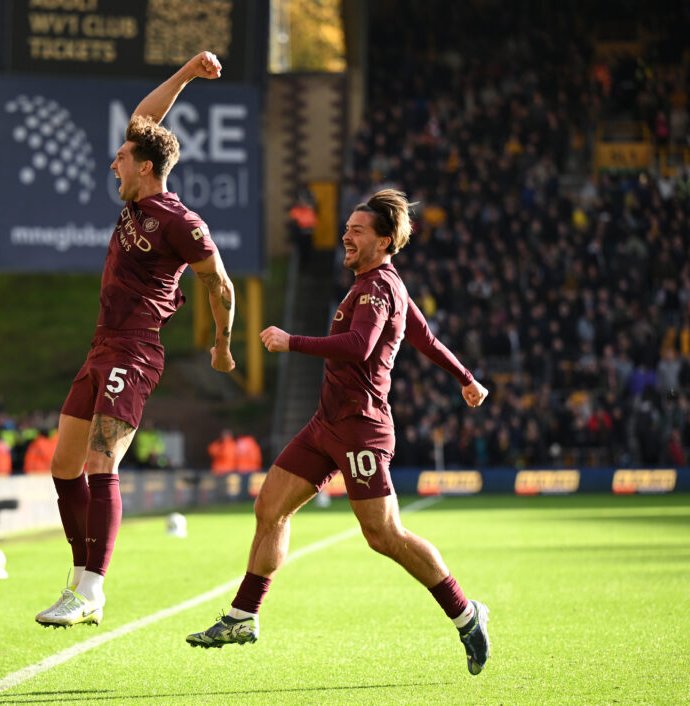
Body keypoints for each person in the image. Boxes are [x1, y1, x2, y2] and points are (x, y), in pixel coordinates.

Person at [186, 189, 493, 676]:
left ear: (385, 240)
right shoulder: (380, 284)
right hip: (326, 424)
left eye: (357, 231)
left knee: (384, 535)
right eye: (347, 228)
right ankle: (244, 616)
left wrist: (292, 341)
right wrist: (466, 379)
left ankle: (465, 612)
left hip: (361, 429)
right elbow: (426, 339)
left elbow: (358, 345)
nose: (346, 237)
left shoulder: (378, 288)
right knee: (270, 506)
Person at [36, 51, 236, 629]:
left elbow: (218, 282)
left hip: (135, 349)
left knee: (102, 460)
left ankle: (93, 589)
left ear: (146, 168)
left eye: (122, 158)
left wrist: (223, 344)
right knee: (63, 466)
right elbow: (148, 116)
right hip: (101, 346)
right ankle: (79, 583)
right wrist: (187, 73)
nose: (113, 162)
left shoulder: (179, 220)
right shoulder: (136, 198)